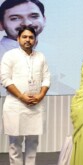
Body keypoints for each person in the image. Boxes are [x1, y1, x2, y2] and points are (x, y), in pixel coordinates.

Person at [1, 26, 50, 165]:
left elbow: (46, 78)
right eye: (24, 37)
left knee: (32, 143)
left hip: (35, 105)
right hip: (15, 105)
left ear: (35, 40)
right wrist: (21, 96)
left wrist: (40, 95)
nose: (28, 40)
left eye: (31, 37)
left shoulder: (40, 56)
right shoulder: (9, 55)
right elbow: (5, 79)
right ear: (18, 39)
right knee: (15, 144)